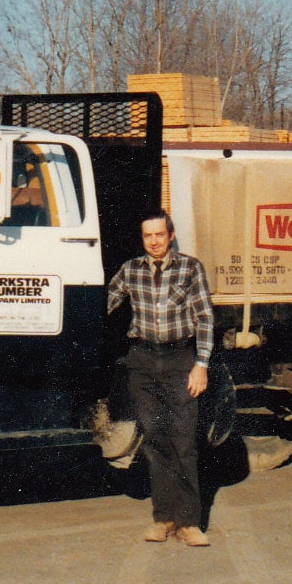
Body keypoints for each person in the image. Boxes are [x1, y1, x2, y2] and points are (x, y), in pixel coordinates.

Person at [106, 210, 215, 546]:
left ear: (170, 235)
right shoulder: (130, 270)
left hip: (180, 360)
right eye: (147, 236)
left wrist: (201, 364)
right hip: (142, 361)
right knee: (154, 441)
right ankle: (163, 518)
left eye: (159, 235)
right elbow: (105, 304)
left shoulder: (190, 268)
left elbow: (205, 318)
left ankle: (189, 522)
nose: (154, 242)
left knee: (183, 441)